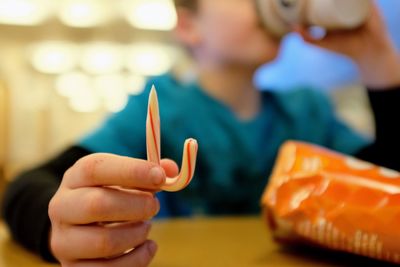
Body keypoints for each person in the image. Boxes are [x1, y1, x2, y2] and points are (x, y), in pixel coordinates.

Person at [2, 0, 400, 266]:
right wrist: (57, 231)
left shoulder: (308, 112)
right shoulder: (159, 111)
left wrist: (378, 61)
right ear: (189, 25)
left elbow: (389, 195)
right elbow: (24, 188)